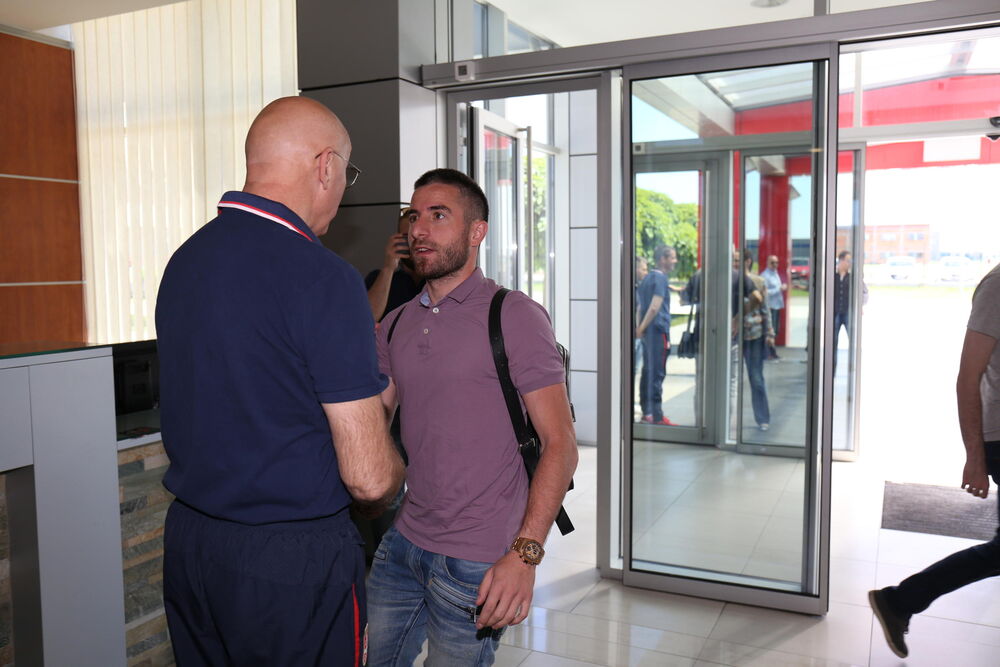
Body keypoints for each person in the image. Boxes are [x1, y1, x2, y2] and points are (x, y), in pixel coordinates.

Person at [155, 96, 405, 666]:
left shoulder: (184, 261)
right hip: (291, 559)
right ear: (325, 166)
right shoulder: (324, 277)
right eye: (347, 173)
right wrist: (396, 466)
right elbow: (368, 479)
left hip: (192, 543)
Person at [367, 168, 578, 666]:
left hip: (478, 558)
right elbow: (371, 424)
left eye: (439, 216)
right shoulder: (395, 323)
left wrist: (524, 556)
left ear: (477, 231)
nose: (419, 229)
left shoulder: (514, 315)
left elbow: (561, 444)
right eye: (415, 216)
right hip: (403, 542)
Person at [869, 262, 1000, 659]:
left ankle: (901, 601)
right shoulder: (997, 287)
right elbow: (968, 377)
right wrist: (974, 456)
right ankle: (901, 600)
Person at [636, 245, 678, 425]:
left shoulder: (647, 279)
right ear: (662, 259)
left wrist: (640, 328)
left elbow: (640, 307)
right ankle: (657, 416)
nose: (675, 261)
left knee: (647, 372)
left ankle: (647, 412)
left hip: (648, 334)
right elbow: (654, 306)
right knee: (657, 374)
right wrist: (642, 327)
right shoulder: (660, 278)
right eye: (672, 257)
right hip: (658, 332)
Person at [366, 207, 425, 322]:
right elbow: (366, 319)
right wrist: (388, 268)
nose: (413, 244)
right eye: (406, 236)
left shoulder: (440, 279)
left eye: (417, 237)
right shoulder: (378, 279)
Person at [741, 251, 775, 431]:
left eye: (738, 260)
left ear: (748, 261)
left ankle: (762, 418)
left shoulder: (759, 282)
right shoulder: (729, 280)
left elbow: (765, 309)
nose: (735, 263)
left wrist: (769, 332)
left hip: (754, 335)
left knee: (756, 378)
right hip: (732, 336)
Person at [761, 254, 787, 360]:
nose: (775, 265)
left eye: (777, 262)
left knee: (775, 330)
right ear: (768, 263)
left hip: (776, 305)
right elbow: (765, 292)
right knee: (770, 330)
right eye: (772, 262)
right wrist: (779, 289)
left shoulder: (775, 274)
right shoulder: (765, 276)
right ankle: (769, 352)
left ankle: (771, 351)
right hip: (770, 306)